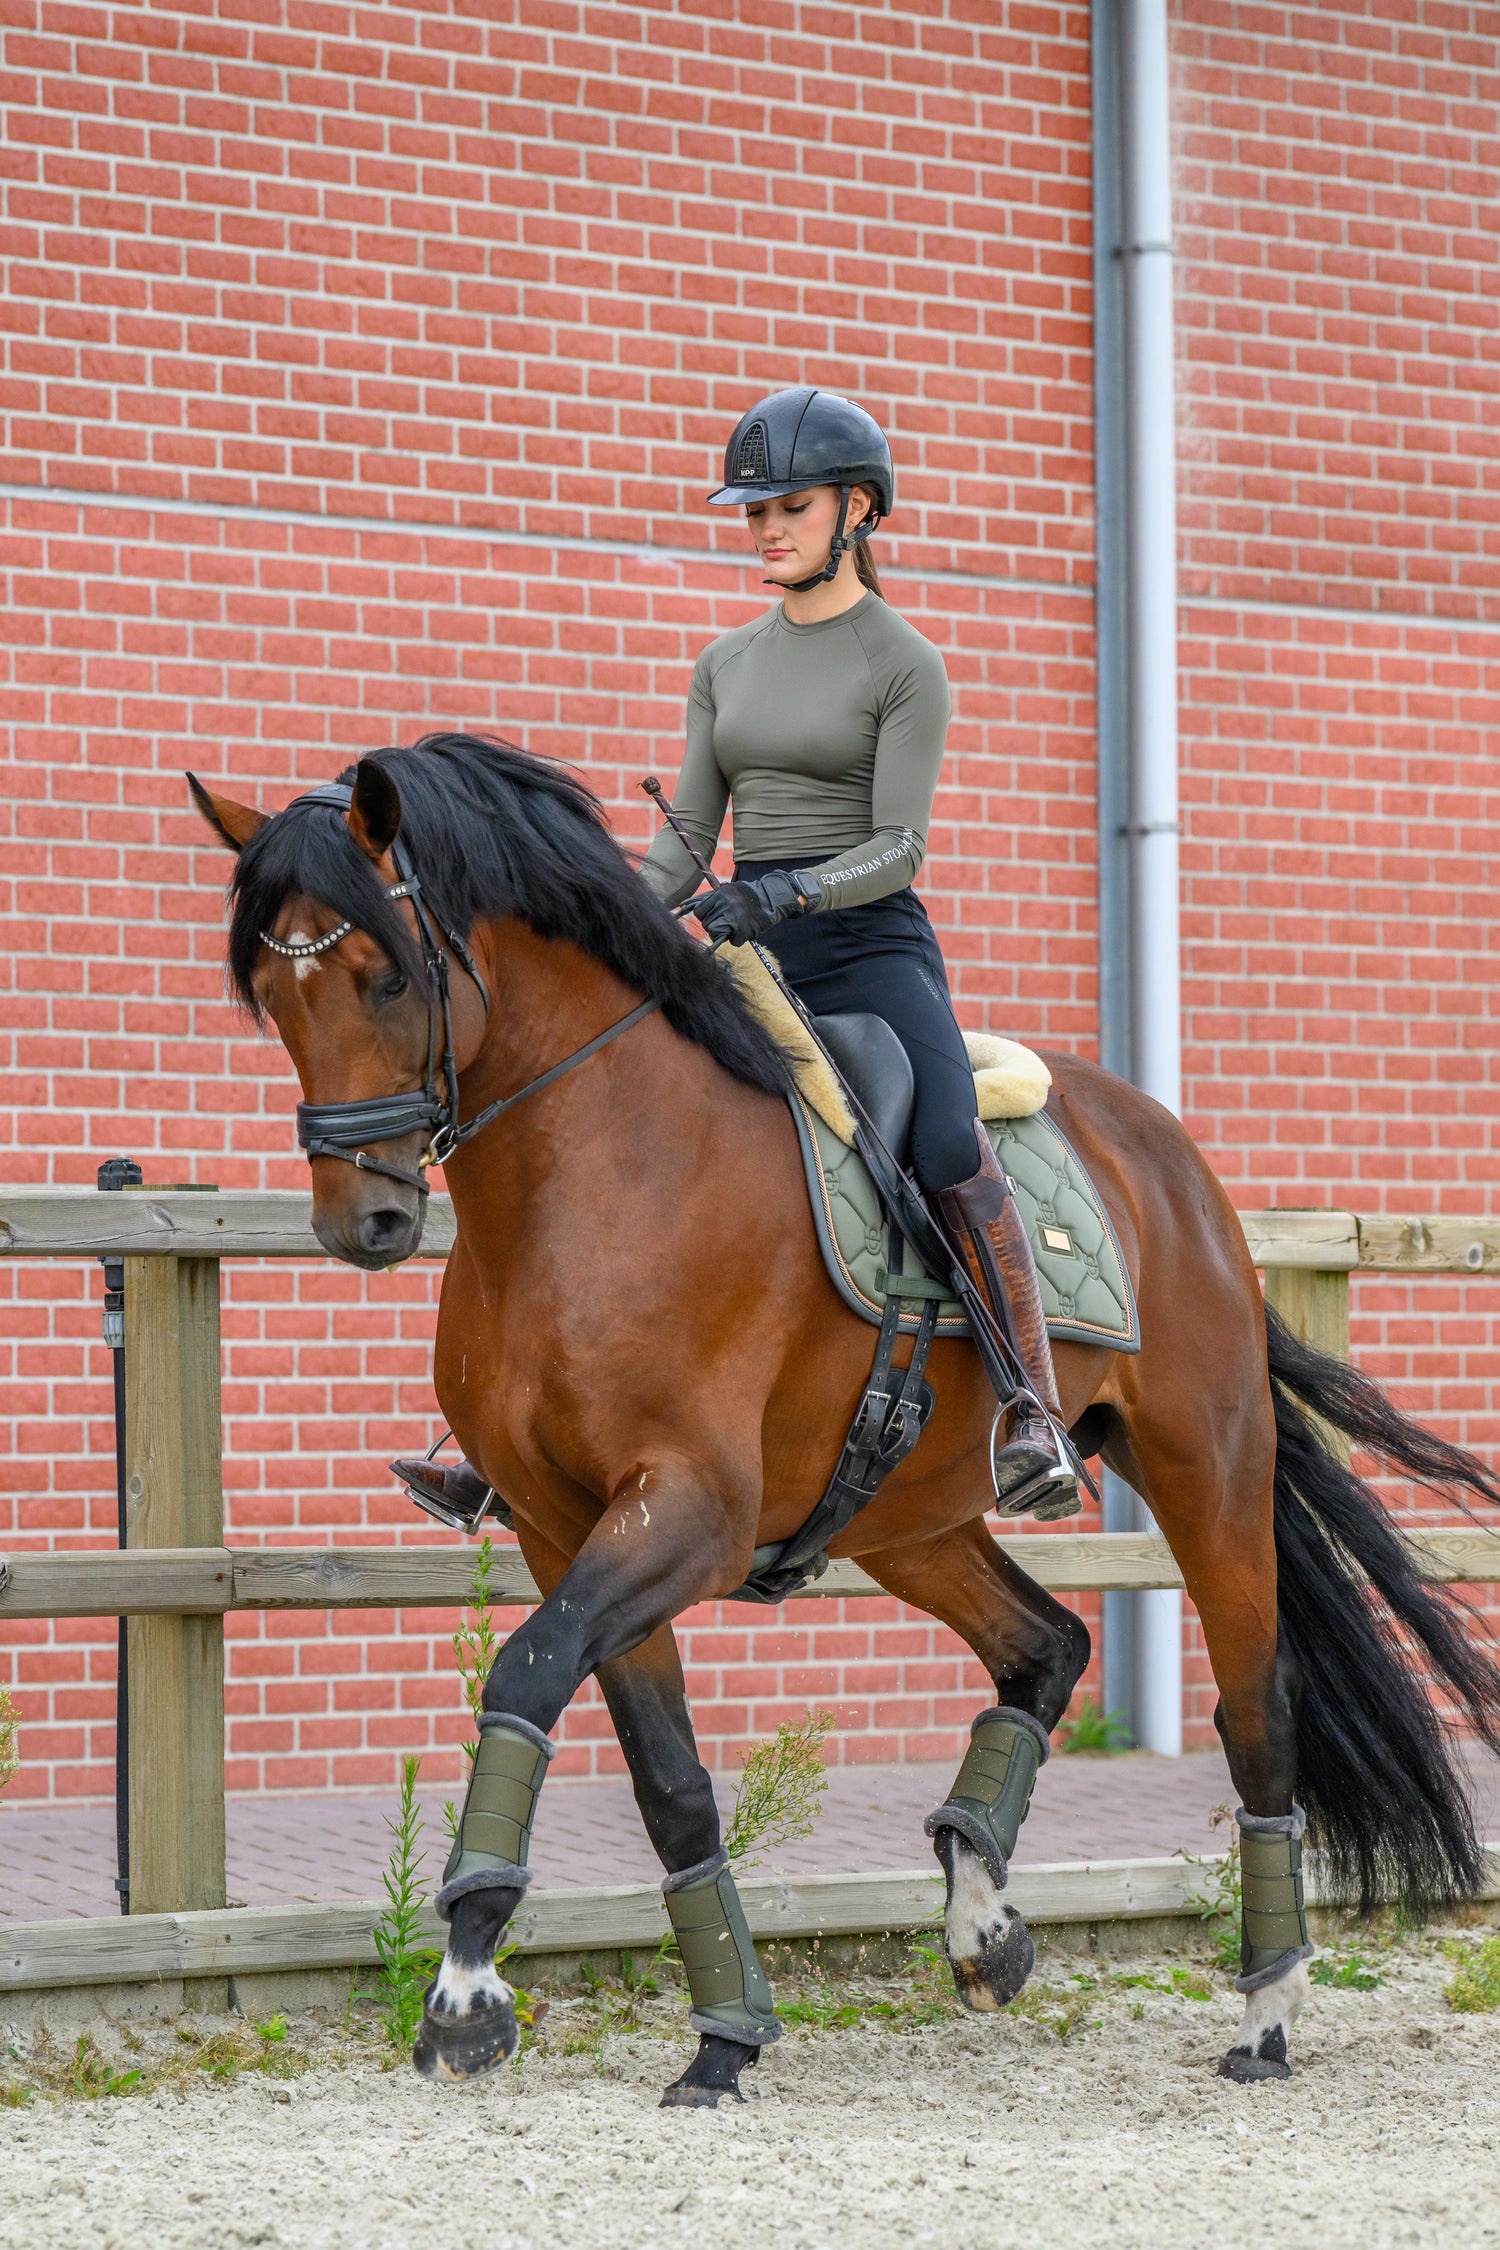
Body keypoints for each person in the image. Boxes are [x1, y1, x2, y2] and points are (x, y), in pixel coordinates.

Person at [395, 386, 1076, 1528]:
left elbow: (900, 848)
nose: (765, 527)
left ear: (858, 510)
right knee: (604, 1114)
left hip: (866, 949)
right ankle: (513, 1433)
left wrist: (789, 889)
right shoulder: (727, 662)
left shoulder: (905, 662)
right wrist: (605, 922)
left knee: (950, 1131)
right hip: (746, 947)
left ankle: (1029, 1408)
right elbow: (683, 845)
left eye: (789, 506)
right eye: (752, 509)